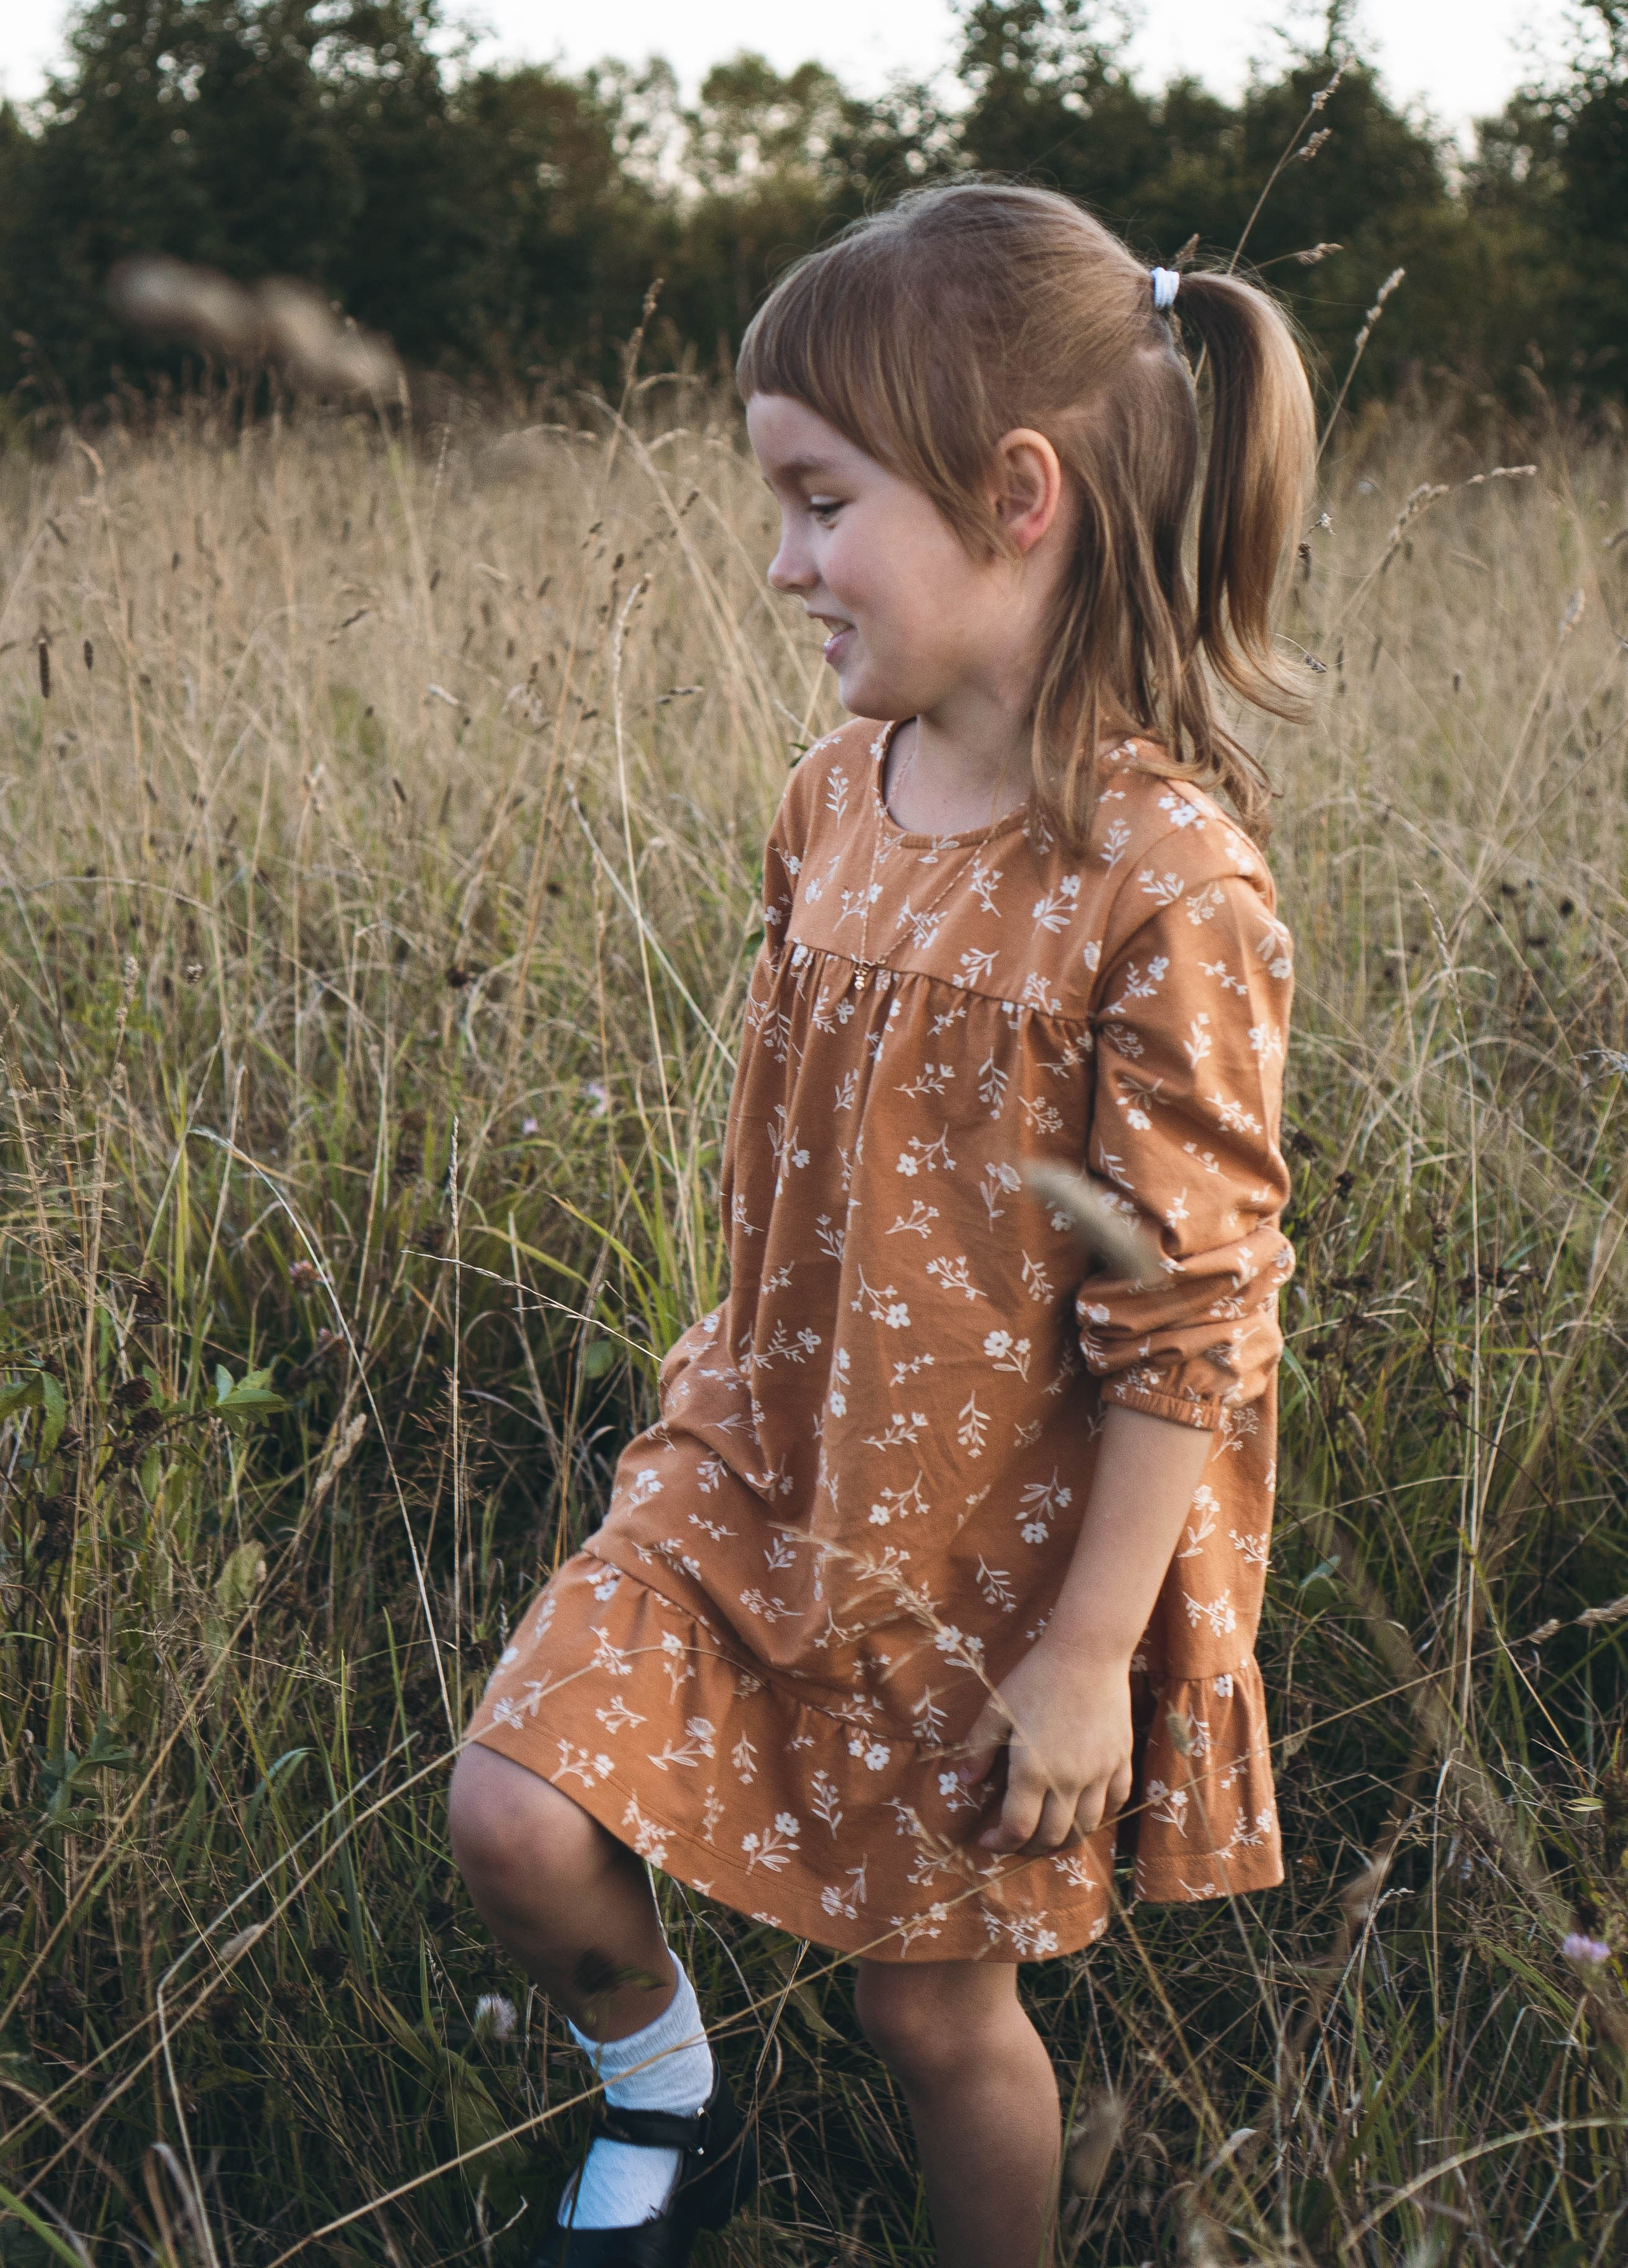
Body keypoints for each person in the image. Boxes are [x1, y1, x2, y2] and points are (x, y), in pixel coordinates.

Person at [449, 182, 1312, 2268]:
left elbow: (1190, 1321)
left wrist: (1090, 1658)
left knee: (931, 2009)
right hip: (757, 1442)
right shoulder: (837, 794)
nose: (780, 564)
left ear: (1016, 496)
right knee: (512, 1810)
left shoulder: (1164, 887)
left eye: (821, 504)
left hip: (992, 1544)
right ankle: (662, 2094)